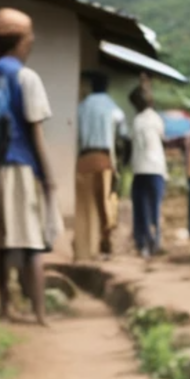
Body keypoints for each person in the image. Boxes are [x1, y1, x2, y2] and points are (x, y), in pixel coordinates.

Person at [0, 8, 57, 325]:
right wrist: (49, 178)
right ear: (20, 42)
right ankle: (40, 313)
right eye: (29, 38)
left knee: (0, 241)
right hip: (19, 165)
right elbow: (36, 133)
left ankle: (5, 308)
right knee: (31, 243)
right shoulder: (27, 78)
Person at [74, 71, 125, 261]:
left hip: (84, 158)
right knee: (104, 203)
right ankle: (104, 244)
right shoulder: (112, 107)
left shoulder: (82, 106)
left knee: (83, 206)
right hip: (104, 158)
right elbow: (123, 133)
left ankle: (82, 250)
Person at [128, 84, 167, 259]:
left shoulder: (137, 121)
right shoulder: (157, 119)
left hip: (141, 169)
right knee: (154, 207)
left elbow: (133, 143)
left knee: (141, 207)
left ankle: (143, 242)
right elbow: (161, 138)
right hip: (157, 169)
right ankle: (154, 241)